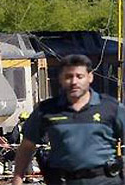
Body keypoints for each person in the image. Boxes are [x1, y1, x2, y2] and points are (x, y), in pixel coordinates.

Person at [12, 54, 125, 185]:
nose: (74, 82)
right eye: (68, 77)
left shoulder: (110, 108)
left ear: (90, 77)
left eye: (79, 76)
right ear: (60, 78)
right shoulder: (46, 110)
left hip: (104, 180)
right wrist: (17, 179)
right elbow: (26, 147)